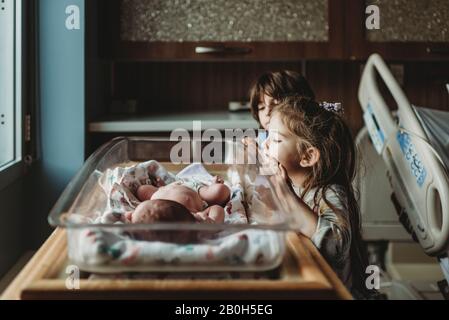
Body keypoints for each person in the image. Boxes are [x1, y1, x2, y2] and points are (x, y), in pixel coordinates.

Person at [264, 95, 374, 298]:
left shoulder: (330, 193)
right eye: (267, 136)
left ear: (307, 156)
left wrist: (287, 197)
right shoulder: (294, 185)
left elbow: (336, 247)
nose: (266, 145)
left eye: (276, 139)